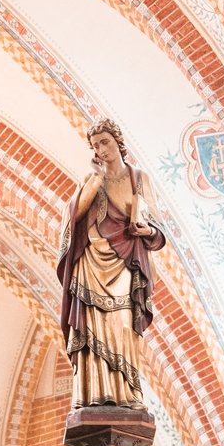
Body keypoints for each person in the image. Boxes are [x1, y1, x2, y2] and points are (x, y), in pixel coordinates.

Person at [55, 118, 168, 409]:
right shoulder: (91, 180)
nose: (101, 149)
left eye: (105, 142)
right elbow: (74, 215)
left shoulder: (138, 178)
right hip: (92, 264)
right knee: (92, 326)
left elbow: (156, 225)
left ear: (118, 141)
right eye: (95, 146)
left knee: (122, 325)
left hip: (125, 265)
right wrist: (95, 179)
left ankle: (127, 394)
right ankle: (92, 394)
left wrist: (149, 231)